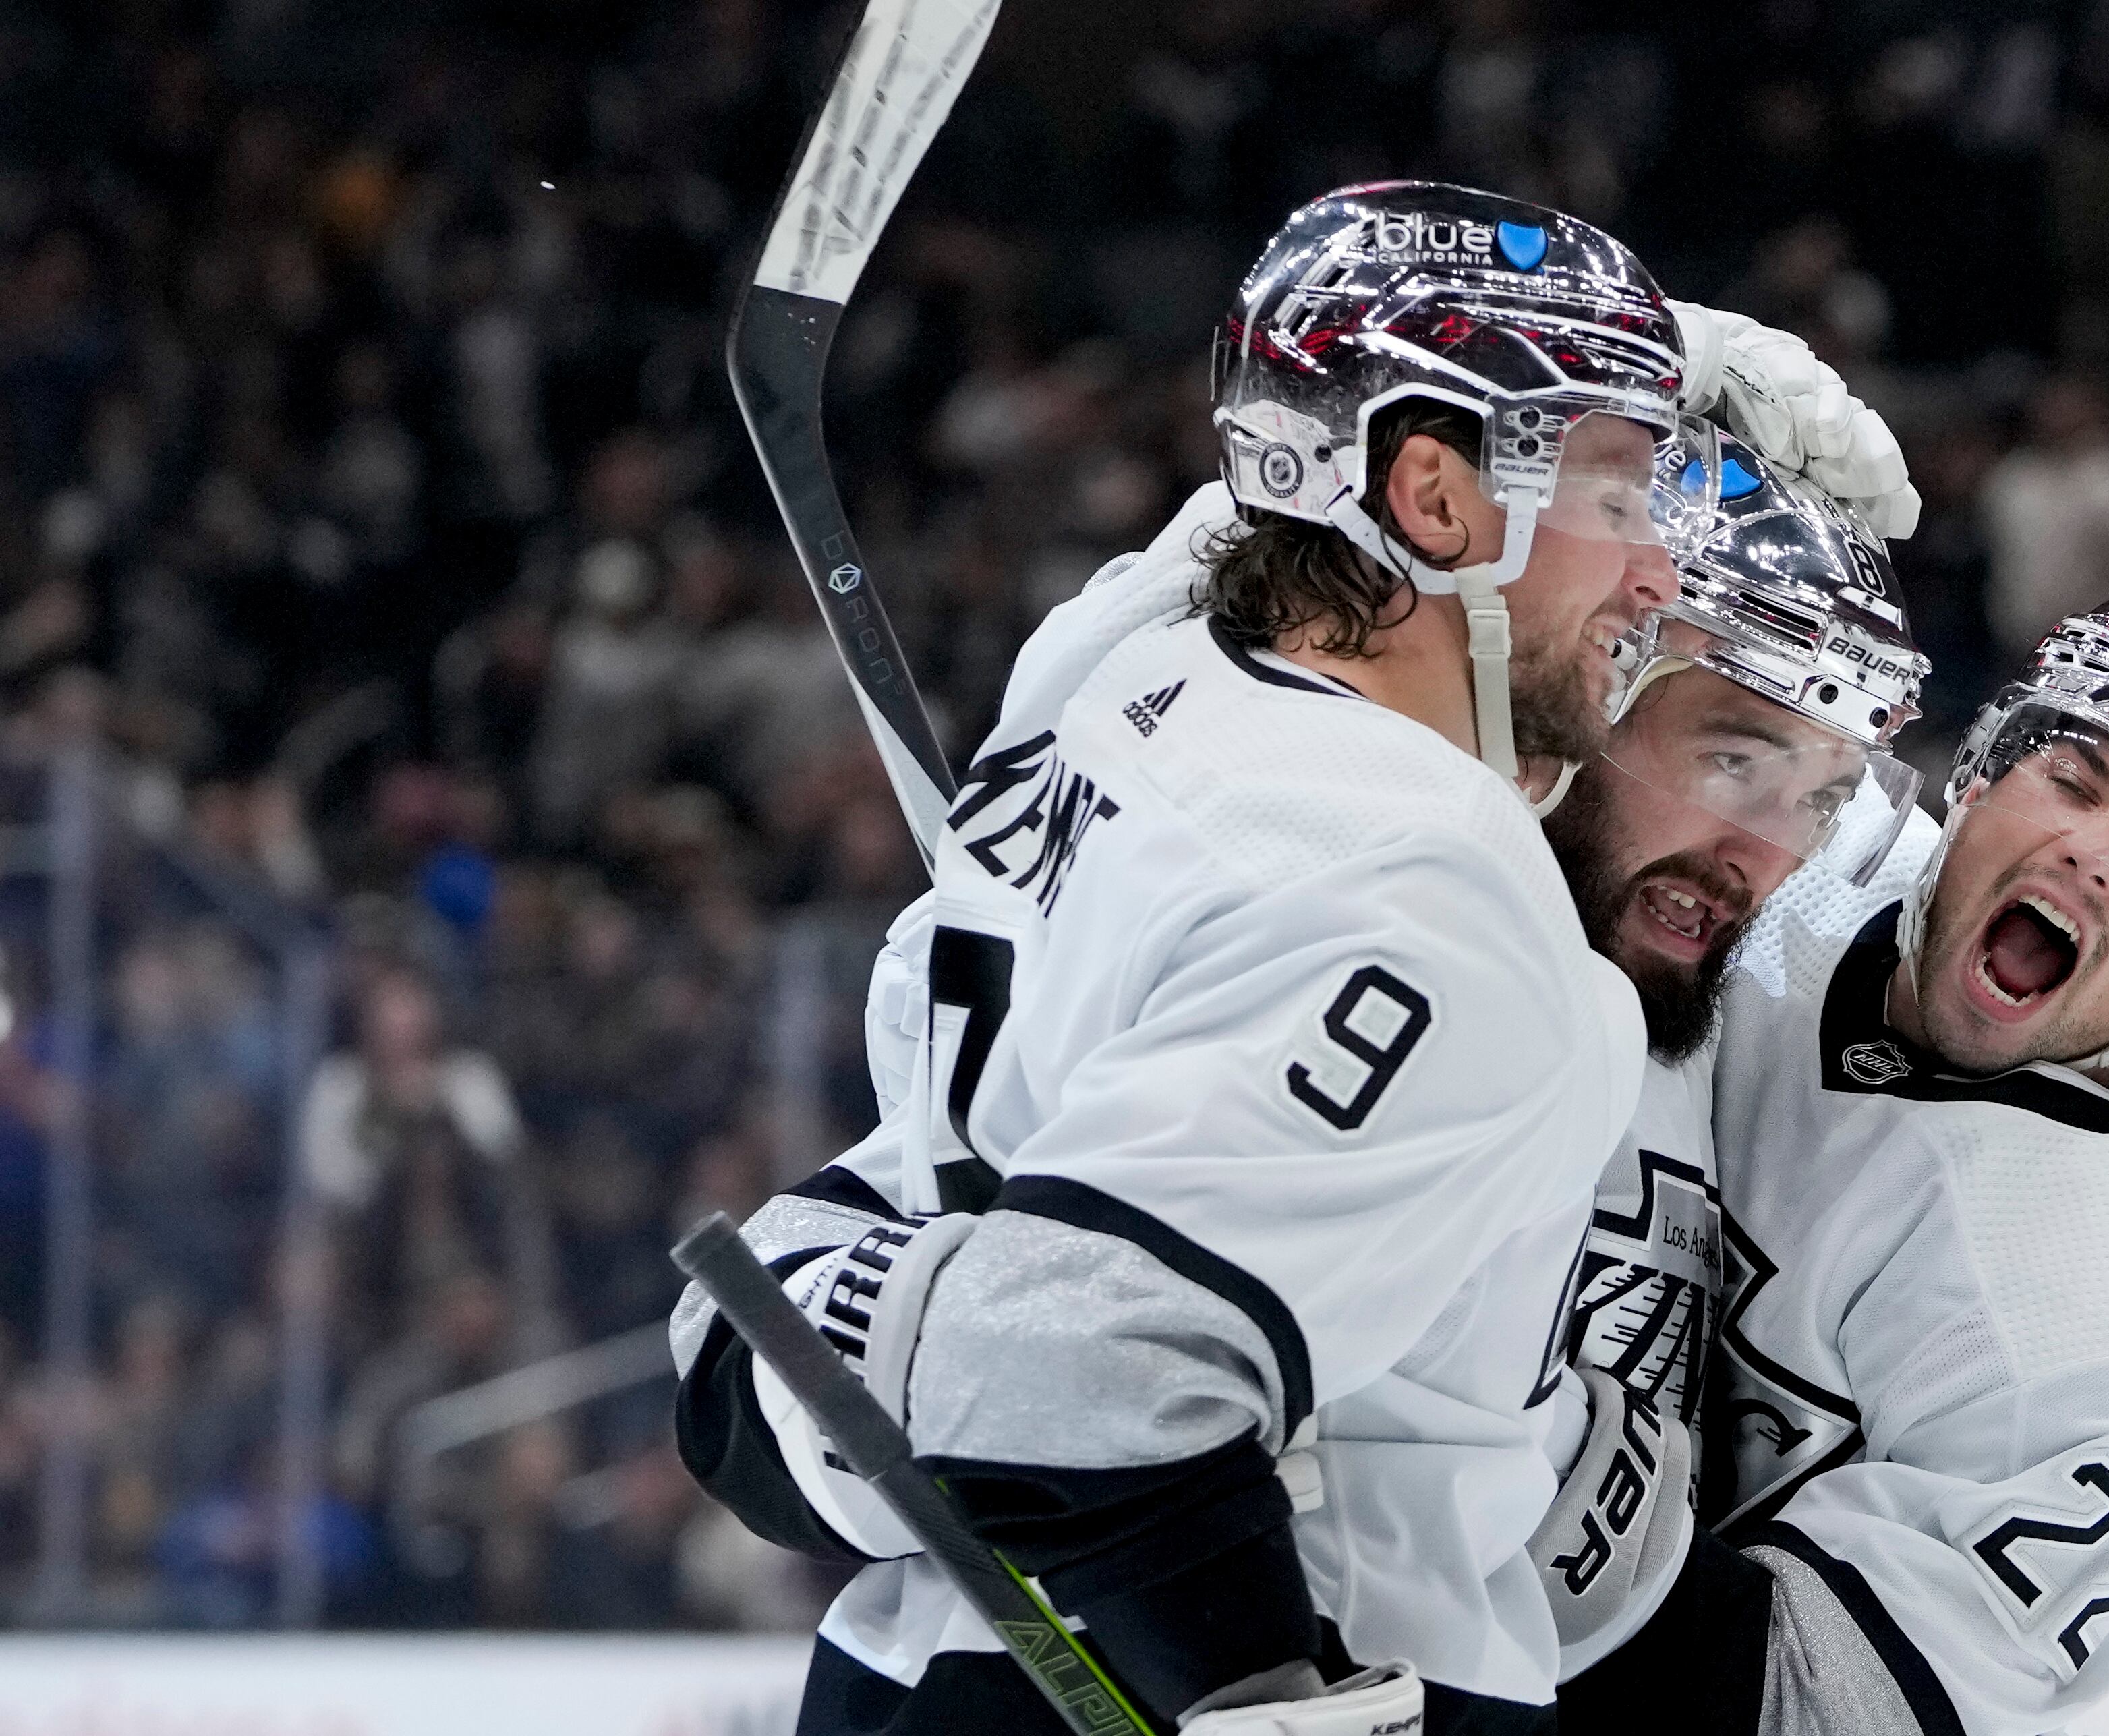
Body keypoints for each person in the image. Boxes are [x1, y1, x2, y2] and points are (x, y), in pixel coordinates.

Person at [668, 181, 1918, 1736]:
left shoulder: (1120, 664)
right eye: (1614, 490)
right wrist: (1259, 1685)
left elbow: (1253, 517)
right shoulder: (1428, 873)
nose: (1658, 572)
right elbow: (1085, 1380)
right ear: (1436, 499)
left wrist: (799, 1325)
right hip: (1243, 1661)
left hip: (914, 1666)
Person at [1566, 570, 2109, 1734]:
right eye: (2073, 781)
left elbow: (1803, 1701)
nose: (2092, 855)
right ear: (1978, 776)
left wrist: (1483, 1459)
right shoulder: (1780, 855)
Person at [1520, 419, 1928, 1674]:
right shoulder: (1384, 920)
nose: (1768, 858)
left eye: (1813, 796)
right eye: (1732, 757)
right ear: (1592, 685)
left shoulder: (1720, 983)